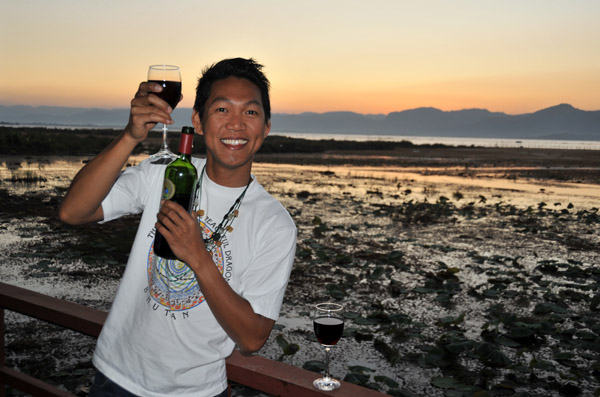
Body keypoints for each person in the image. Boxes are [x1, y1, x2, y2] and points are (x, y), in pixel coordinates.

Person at [59, 58, 297, 397]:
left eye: (250, 112)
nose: (236, 125)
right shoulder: (163, 174)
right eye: (221, 110)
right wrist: (131, 136)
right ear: (198, 122)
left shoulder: (275, 224)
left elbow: (252, 338)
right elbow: (73, 212)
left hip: (196, 391)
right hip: (116, 378)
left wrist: (198, 257)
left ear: (266, 127)